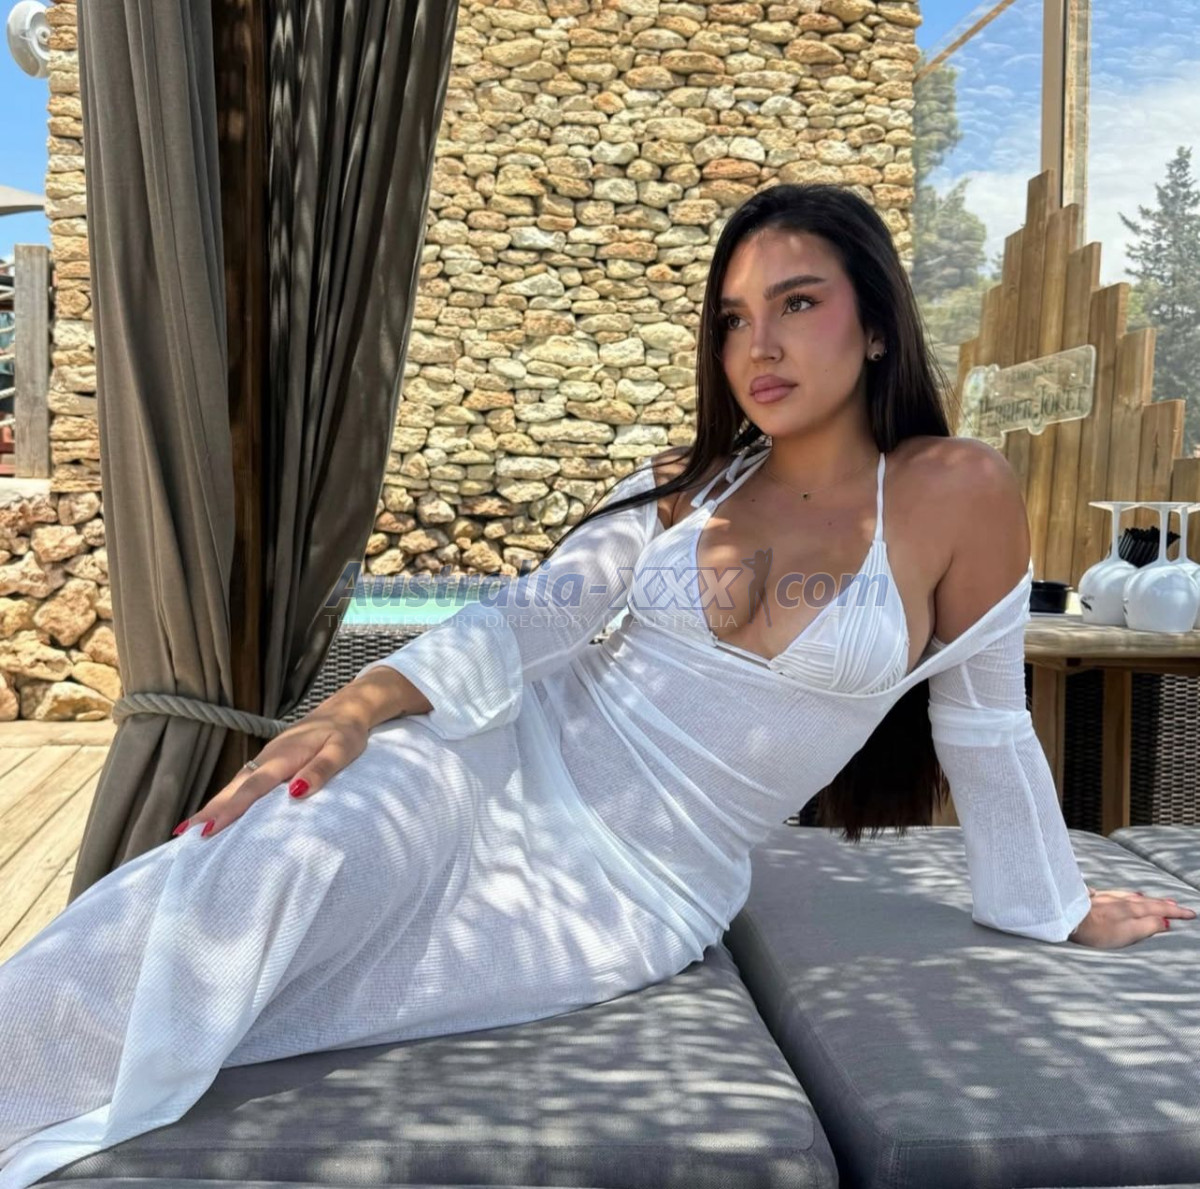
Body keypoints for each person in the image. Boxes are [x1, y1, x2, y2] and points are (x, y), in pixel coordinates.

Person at [1, 182, 1194, 1187]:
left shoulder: (956, 488)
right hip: (499, 762)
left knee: (312, 987)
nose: (759, 347)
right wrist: (354, 708)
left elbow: (985, 722)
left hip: (634, 888)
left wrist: (1049, 903)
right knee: (287, 850)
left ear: (877, 326)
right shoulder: (688, 482)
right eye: (733, 320)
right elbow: (534, 617)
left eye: (797, 304)